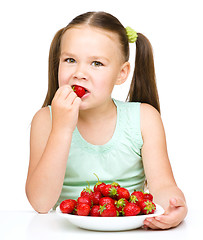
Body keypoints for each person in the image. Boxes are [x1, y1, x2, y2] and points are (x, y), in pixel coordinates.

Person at [25, 11, 187, 229]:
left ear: (122, 73)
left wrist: (174, 206)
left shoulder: (144, 118)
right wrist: (61, 129)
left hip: (132, 230)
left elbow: (163, 186)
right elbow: (41, 203)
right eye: (70, 60)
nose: (79, 73)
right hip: (65, 232)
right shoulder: (45, 120)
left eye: (97, 63)